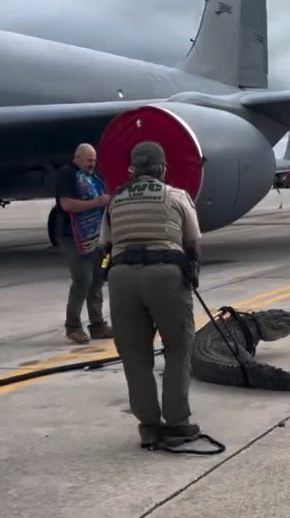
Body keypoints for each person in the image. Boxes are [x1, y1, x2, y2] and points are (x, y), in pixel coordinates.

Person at [101, 141, 202, 448]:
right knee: (177, 348)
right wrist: (191, 273)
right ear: (161, 169)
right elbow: (193, 242)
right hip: (165, 274)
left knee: (134, 355)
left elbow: (105, 245)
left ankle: (148, 425)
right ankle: (176, 423)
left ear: (132, 170)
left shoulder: (115, 201)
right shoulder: (175, 196)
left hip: (121, 278)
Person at [55, 143, 113, 345]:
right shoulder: (67, 174)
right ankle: (73, 326)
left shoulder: (93, 178)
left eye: (94, 160)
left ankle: (97, 325)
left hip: (95, 235)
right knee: (82, 279)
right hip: (72, 235)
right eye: (89, 160)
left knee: (97, 279)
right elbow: (67, 204)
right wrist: (97, 202)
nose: (92, 164)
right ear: (77, 158)